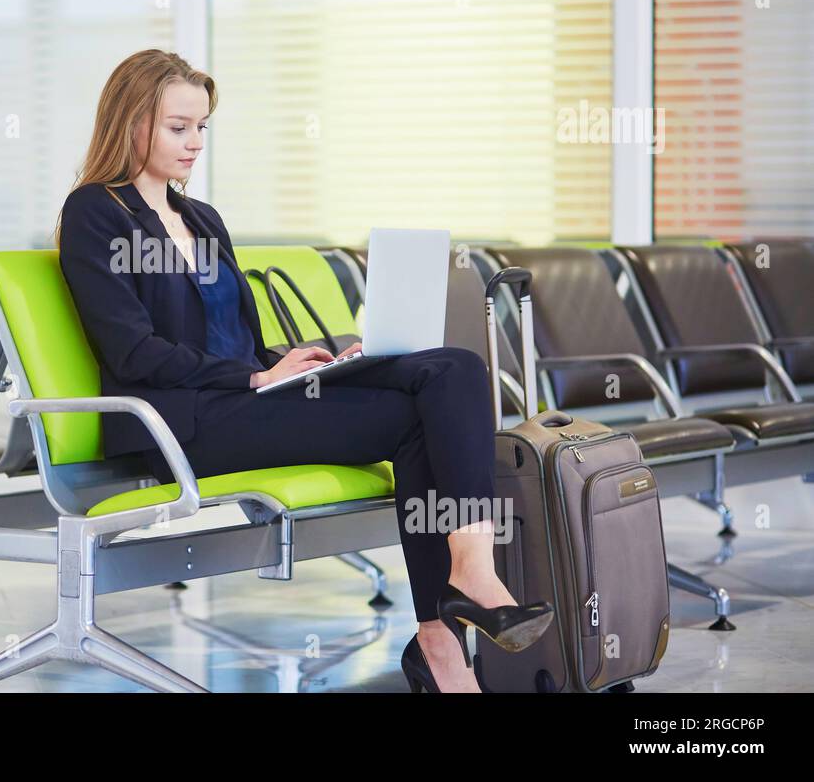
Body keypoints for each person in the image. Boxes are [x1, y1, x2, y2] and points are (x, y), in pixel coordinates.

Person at [56, 49, 552, 693]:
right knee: (415, 421)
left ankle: (466, 583)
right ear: (130, 122)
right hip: (182, 423)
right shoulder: (97, 212)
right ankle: (444, 634)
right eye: (179, 128)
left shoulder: (201, 218)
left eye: (202, 127)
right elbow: (133, 352)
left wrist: (286, 363)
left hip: (242, 399)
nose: (194, 143)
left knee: (451, 368)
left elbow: (239, 341)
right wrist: (254, 379)